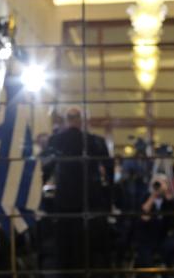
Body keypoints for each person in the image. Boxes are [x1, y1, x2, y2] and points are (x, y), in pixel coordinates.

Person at [42, 106, 114, 273]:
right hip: (90, 203)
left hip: (65, 203)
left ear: (67, 120)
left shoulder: (56, 141)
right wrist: (108, 203)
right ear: (83, 121)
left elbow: (45, 170)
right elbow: (109, 172)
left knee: (65, 250)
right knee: (87, 251)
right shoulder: (96, 141)